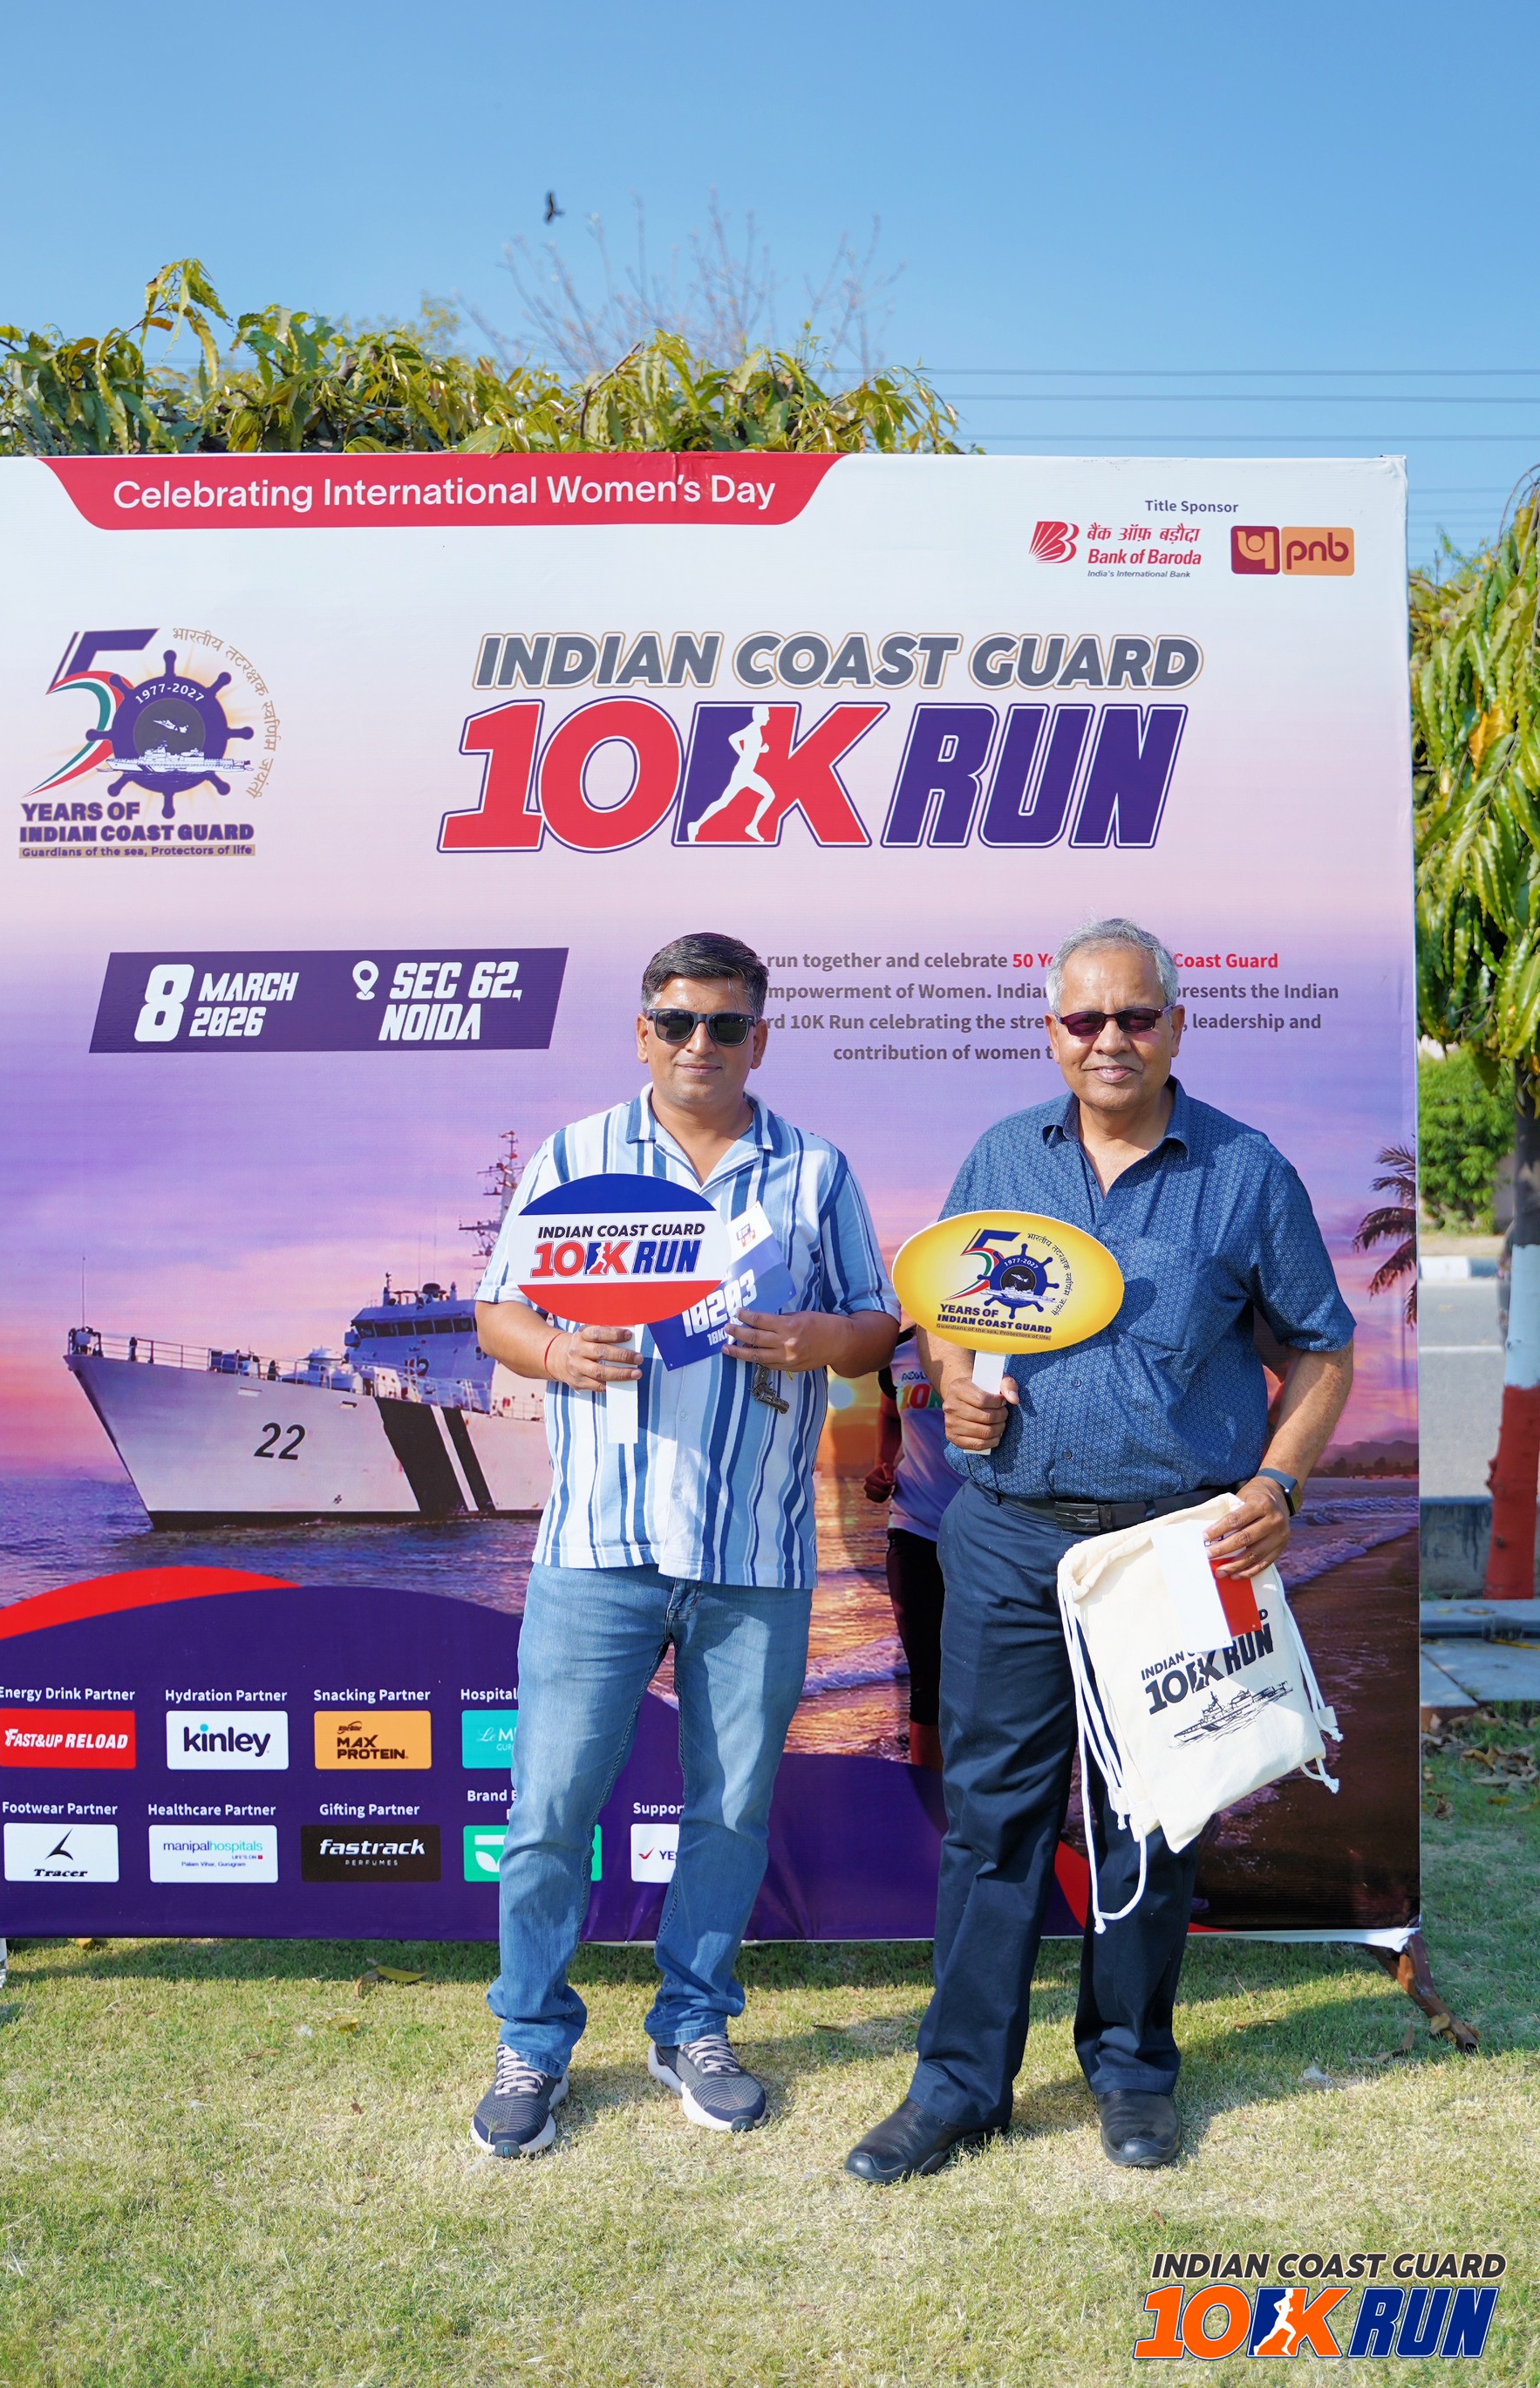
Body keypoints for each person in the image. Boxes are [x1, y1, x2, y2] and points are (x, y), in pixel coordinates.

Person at [844, 915, 1355, 2185]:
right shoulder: (1000, 1155)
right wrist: (957, 1384)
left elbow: (1322, 1348)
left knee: (1150, 1819)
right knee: (992, 1822)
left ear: (1176, 1025)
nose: (1108, 1039)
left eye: (1134, 1016)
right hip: (1009, 1542)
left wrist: (1279, 1481)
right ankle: (960, 2086)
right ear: (1052, 1032)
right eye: (1085, 1020)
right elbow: (948, 1313)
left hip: (1168, 1552)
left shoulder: (1244, 1171)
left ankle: (1130, 2070)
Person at [470, 930, 899, 2158]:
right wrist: (555, 1350)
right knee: (549, 1809)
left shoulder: (812, 1171)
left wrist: (815, 1339)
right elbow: (497, 1312)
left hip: (753, 1554)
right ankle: (531, 2038)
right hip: (597, 1546)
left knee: (729, 1812)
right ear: (641, 1032)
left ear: (760, 1037)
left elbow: (878, 1326)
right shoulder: (574, 1158)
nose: (697, 1043)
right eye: (675, 1021)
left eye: (724, 1024)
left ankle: (694, 2023)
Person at [862, 1334, 956, 1770]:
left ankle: (978, 1797)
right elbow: (889, 1414)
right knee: (927, 1680)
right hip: (913, 1527)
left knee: (986, 1680)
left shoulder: (998, 1344)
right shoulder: (898, 1352)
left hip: (983, 1536)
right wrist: (883, 1466)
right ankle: (930, 1801)